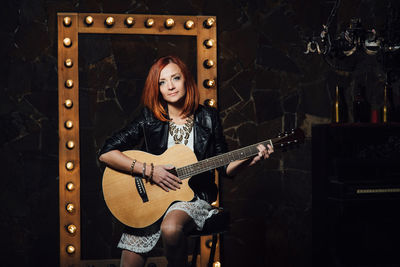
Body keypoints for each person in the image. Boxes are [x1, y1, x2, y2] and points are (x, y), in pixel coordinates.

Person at [99, 55, 273, 267]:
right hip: (152, 197)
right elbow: (106, 152)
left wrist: (249, 159)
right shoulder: (149, 117)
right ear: (157, 89)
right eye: (162, 82)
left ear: (186, 80)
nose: (170, 86)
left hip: (191, 197)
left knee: (170, 227)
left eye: (175, 78)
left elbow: (225, 166)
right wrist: (149, 171)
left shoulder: (208, 117)